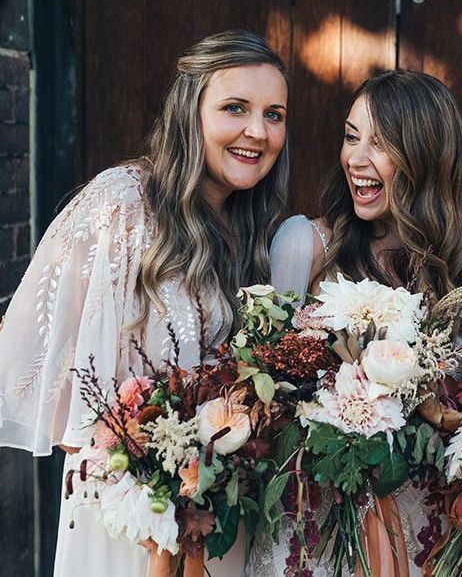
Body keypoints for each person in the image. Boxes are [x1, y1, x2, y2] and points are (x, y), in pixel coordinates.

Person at [0, 29, 290, 577]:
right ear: (190, 111)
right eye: (235, 108)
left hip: (220, 526)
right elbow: (30, 363)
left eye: (274, 114)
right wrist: (141, 460)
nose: (258, 131)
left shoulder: (255, 233)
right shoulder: (122, 206)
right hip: (129, 526)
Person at [264, 68, 462, 575]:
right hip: (325, 531)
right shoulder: (306, 246)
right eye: (351, 136)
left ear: (425, 158)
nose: (355, 159)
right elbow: (270, 385)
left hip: (432, 532)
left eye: (381, 143)